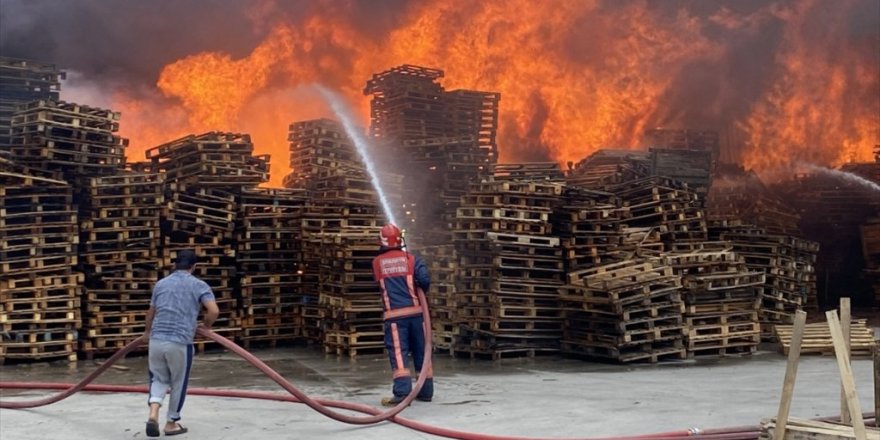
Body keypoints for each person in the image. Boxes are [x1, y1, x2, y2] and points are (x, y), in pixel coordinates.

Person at [144, 249, 219, 437]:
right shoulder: (199, 285)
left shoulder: (161, 284)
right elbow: (213, 311)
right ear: (194, 266)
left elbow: (151, 313)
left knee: (158, 378)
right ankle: (171, 423)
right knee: (178, 382)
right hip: (180, 341)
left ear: (174, 265)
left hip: (156, 340)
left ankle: (153, 414)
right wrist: (206, 326)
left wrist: (147, 333)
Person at [371, 223, 433, 406]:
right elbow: (424, 280)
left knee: (399, 354)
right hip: (417, 315)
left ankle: (402, 394)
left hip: (395, 317)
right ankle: (425, 392)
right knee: (422, 352)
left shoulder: (376, 263)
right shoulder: (413, 259)